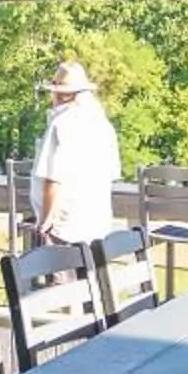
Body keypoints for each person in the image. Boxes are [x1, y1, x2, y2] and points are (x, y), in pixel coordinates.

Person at [32, 59, 122, 246]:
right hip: (96, 225)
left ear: (60, 95)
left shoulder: (61, 124)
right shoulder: (102, 125)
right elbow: (110, 175)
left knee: (62, 275)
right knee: (90, 275)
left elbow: (53, 179)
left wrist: (45, 221)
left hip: (64, 228)